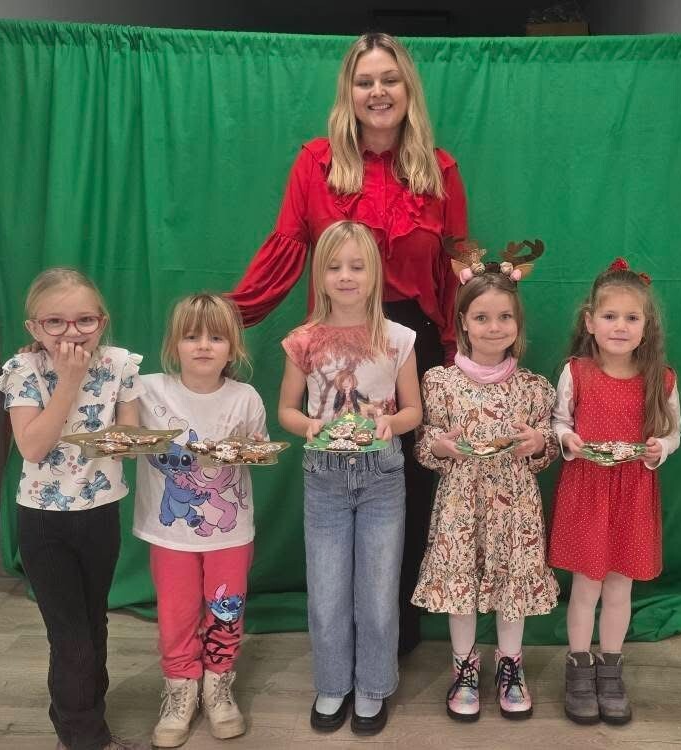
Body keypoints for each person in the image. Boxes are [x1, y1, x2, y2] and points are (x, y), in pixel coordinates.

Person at [231, 32, 467, 653]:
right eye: (365, 81)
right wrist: (233, 314)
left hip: (410, 342)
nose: (378, 91)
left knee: (409, 489)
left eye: (390, 79)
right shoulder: (316, 163)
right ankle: (341, 641)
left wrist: (459, 349)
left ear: (407, 88)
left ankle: (394, 639)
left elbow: (454, 268)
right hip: (336, 338)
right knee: (338, 481)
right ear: (349, 92)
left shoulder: (439, 169)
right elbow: (287, 248)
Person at [277, 220, 421, 735]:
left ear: (374, 273)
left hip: (382, 475)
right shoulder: (303, 340)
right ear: (320, 275)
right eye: (335, 267)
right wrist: (309, 426)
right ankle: (333, 682)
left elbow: (413, 411)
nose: (346, 276)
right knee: (327, 590)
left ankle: (373, 686)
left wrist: (390, 423)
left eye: (357, 266)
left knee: (379, 591)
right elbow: (286, 411)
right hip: (325, 477)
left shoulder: (398, 338)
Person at [0, 267, 145, 750]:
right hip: (44, 522)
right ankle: (85, 739)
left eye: (84, 320)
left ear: (102, 321)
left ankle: (81, 722)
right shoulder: (23, 370)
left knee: (94, 625)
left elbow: (127, 437)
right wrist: (69, 381)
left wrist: (133, 441)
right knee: (71, 638)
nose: (71, 332)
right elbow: (33, 447)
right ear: (34, 328)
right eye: (55, 322)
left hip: (100, 513)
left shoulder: (120, 364)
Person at [412, 262, 559, 722]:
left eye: (504, 317)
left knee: (512, 585)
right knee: (461, 583)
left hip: (515, 506)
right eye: (482, 317)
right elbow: (424, 445)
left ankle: (510, 667)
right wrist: (441, 446)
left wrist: (538, 444)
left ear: (518, 323)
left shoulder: (534, 388)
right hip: (460, 503)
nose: (494, 327)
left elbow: (547, 446)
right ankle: (465, 668)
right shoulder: (439, 383)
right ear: (463, 323)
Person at [548, 258, 681, 726]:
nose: (620, 327)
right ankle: (579, 668)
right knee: (586, 585)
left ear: (646, 326)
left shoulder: (662, 378)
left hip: (633, 492)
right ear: (590, 322)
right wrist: (568, 439)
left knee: (620, 585)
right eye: (609, 316)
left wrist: (659, 448)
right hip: (587, 489)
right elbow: (559, 421)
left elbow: (673, 432)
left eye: (631, 318)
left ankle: (610, 669)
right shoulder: (576, 371)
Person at [133, 294, 267, 747]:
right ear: (174, 344)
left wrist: (249, 450)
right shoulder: (147, 390)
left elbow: (258, 450)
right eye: (191, 336)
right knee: (175, 615)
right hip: (169, 534)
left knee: (226, 611)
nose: (204, 346)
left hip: (231, 533)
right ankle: (180, 688)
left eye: (216, 337)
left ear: (234, 348)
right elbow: (100, 380)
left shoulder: (245, 398)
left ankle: (218, 685)